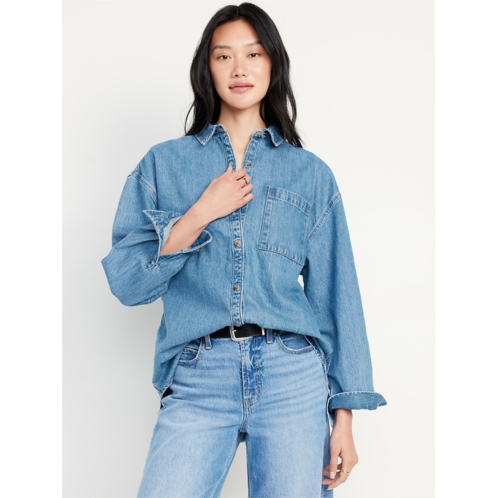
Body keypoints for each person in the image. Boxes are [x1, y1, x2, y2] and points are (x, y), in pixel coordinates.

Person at [102, 3, 386, 497]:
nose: (239, 69)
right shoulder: (163, 165)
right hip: (199, 374)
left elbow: (337, 296)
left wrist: (344, 417)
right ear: (206, 68)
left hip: (291, 376)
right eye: (223, 56)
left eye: (253, 54)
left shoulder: (310, 173)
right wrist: (199, 213)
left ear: (273, 63)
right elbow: (127, 282)